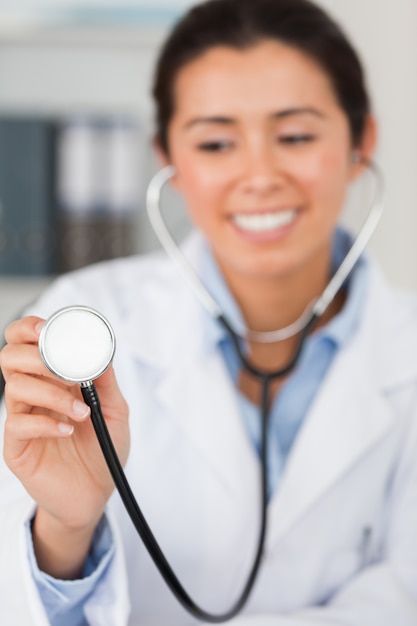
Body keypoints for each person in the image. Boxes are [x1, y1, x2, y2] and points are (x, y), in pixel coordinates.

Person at [1, 0, 417, 624]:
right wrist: (67, 524)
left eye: (296, 135)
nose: (259, 175)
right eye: (217, 142)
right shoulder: (81, 321)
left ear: (362, 141)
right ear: (168, 156)